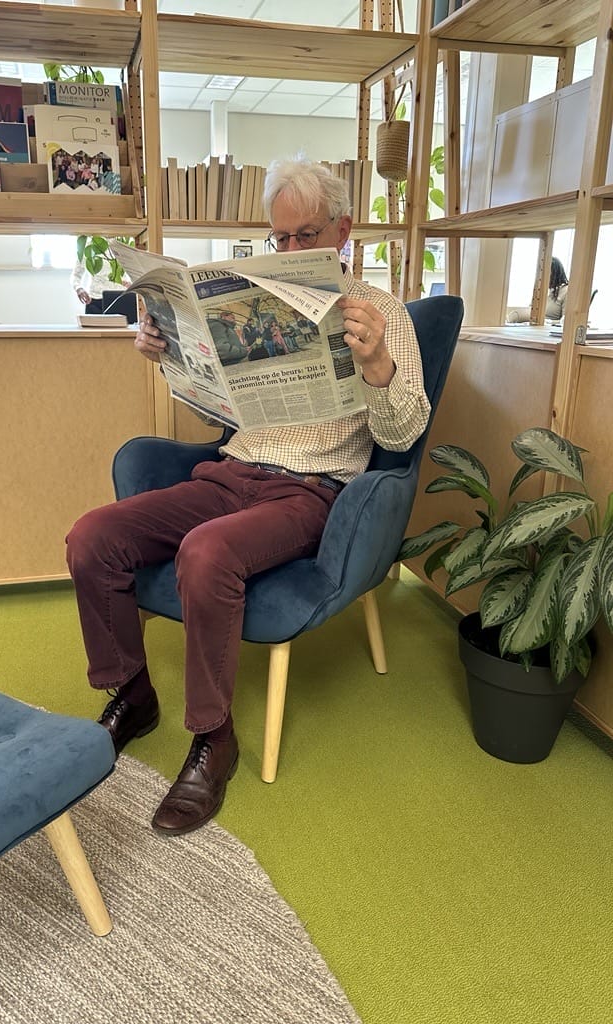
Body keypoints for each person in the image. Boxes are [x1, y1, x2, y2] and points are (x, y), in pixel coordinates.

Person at [66, 154, 430, 837]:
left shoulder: (381, 312)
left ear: (344, 230)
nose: (289, 251)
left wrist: (378, 367)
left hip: (312, 489)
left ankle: (214, 739)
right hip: (230, 472)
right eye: (280, 239)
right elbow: (223, 416)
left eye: (306, 235)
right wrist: (172, 352)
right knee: (92, 538)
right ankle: (133, 693)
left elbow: (404, 434)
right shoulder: (252, 301)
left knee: (206, 554)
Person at [507, 256, 569, 324]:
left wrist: (546, 322)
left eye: (544, 272)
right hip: (533, 325)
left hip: (547, 328)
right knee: (514, 316)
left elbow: (564, 322)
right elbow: (531, 310)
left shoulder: (566, 291)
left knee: (516, 316)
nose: (540, 276)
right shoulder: (541, 290)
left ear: (555, 273)